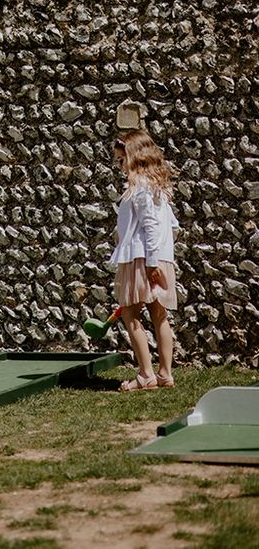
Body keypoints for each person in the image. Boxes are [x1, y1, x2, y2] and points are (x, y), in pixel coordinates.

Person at [110, 130, 180, 392]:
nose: (119, 166)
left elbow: (150, 225)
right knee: (159, 313)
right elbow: (170, 226)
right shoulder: (158, 187)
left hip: (143, 258)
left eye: (120, 160)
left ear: (133, 157)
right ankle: (164, 374)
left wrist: (151, 262)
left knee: (130, 313)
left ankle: (146, 374)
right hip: (159, 256)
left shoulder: (139, 186)